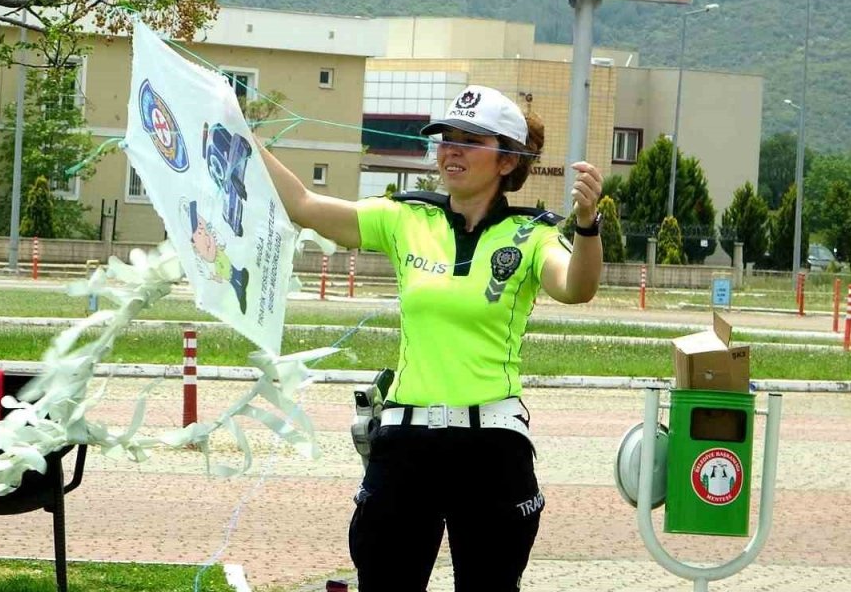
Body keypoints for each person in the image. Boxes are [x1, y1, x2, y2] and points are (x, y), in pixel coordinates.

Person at [258, 85, 603, 591]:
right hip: (404, 445)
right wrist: (241, 131)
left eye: (470, 140)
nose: (451, 151)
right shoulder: (405, 216)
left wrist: (589, 225)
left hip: (492, 449)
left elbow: (576, 286)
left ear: (508, 161)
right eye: (445, 139)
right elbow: (304, 204)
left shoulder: (533, 234)